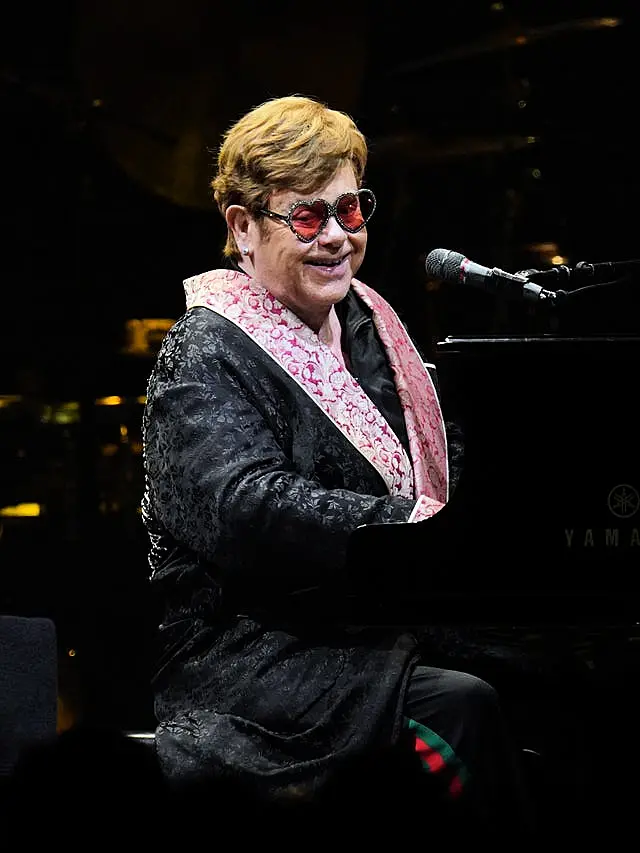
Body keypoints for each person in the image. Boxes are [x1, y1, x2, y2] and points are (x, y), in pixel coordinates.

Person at [141, 94, 536, 836]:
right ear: (242, 227)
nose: (335, 238)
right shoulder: (204, 350)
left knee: (573, 671)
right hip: (256, 654)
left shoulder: (369, 327)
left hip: (377, 628)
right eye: (307, 216)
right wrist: (417, 525)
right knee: (463, 702)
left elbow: (447, 458)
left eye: (349, 211)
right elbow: (245, 508)